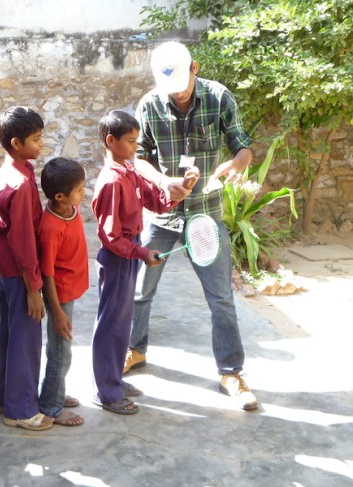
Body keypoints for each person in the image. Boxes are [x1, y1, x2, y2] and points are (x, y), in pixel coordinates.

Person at [125, 41, 259, 411]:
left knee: (220, 298)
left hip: (206, 214)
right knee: (139, 291)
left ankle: (232, 372)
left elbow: (242, 145)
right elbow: (138, 157)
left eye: (183, 86)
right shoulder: (150, 104)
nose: (178, 94)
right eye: (171, 89)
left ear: (195, 68)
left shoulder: (219, 97)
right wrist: (162, 181)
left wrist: (238, 164)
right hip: (162, 214)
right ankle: (134, 350)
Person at [91, 110, 198, 415]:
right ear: (111, 142)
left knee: (123, 324)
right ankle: (106, 392)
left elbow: (156, 202)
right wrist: (142, 253)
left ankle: (113, 379)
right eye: (131, 141)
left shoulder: (129, 170)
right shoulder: (111, 181)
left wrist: (183, 190)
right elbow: (110, 236)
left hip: (131, 251)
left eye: (137, 141)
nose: (136, 147)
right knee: (110, 325)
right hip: (117, 257)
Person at [0, 106, 54, 431]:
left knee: (10, 335)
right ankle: (21, 410)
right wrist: (34, 288)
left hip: (10, 273)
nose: (41, 144)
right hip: (22, 275)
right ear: (17, 143)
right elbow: (24, 240)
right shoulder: (21, 184)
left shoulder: (13, 172)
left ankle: (2, 397)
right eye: (36, 139)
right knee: (27, 340)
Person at [37, 157, 88, 427]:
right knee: (60, 352)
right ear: (59, 196)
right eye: (79, 190)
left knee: (62, 350)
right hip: (61, 296)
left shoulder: (70, 209)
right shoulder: (51, 227)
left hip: (71, 290)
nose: (83, 193)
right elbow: (47, 274)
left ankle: (54, 392)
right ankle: (51, 407)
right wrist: (56, 312)